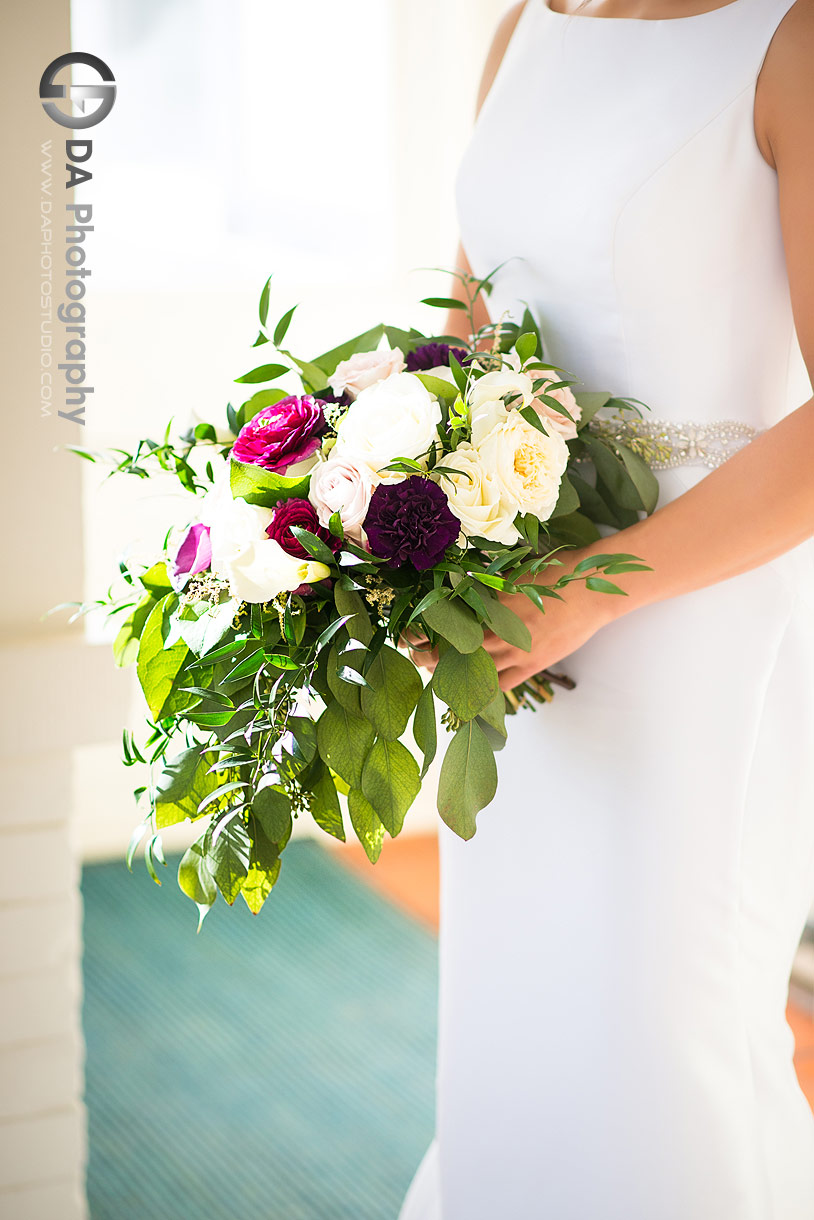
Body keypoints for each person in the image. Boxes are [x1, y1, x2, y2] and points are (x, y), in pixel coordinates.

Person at [398, 0, 814, 1216]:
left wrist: (584, 590)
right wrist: (390, 516)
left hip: (702, 624)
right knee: (520, 989)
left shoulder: (785, 40)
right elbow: (471, 324)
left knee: (657, 1019)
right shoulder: (523, 24)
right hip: (511, 593)